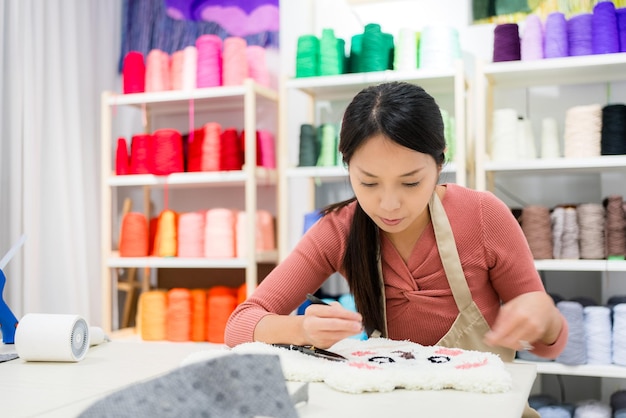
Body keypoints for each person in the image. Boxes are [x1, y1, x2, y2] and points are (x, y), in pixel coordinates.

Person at [225, 81, 568, 365]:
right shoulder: (339, 230)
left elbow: (551, 346)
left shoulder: (482, 215)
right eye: (369, 183)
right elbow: (239, 325)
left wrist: (544, 315)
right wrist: (300, 329)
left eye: (410, 182)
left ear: (439, 164)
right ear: (347, 167)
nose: (388, 204)